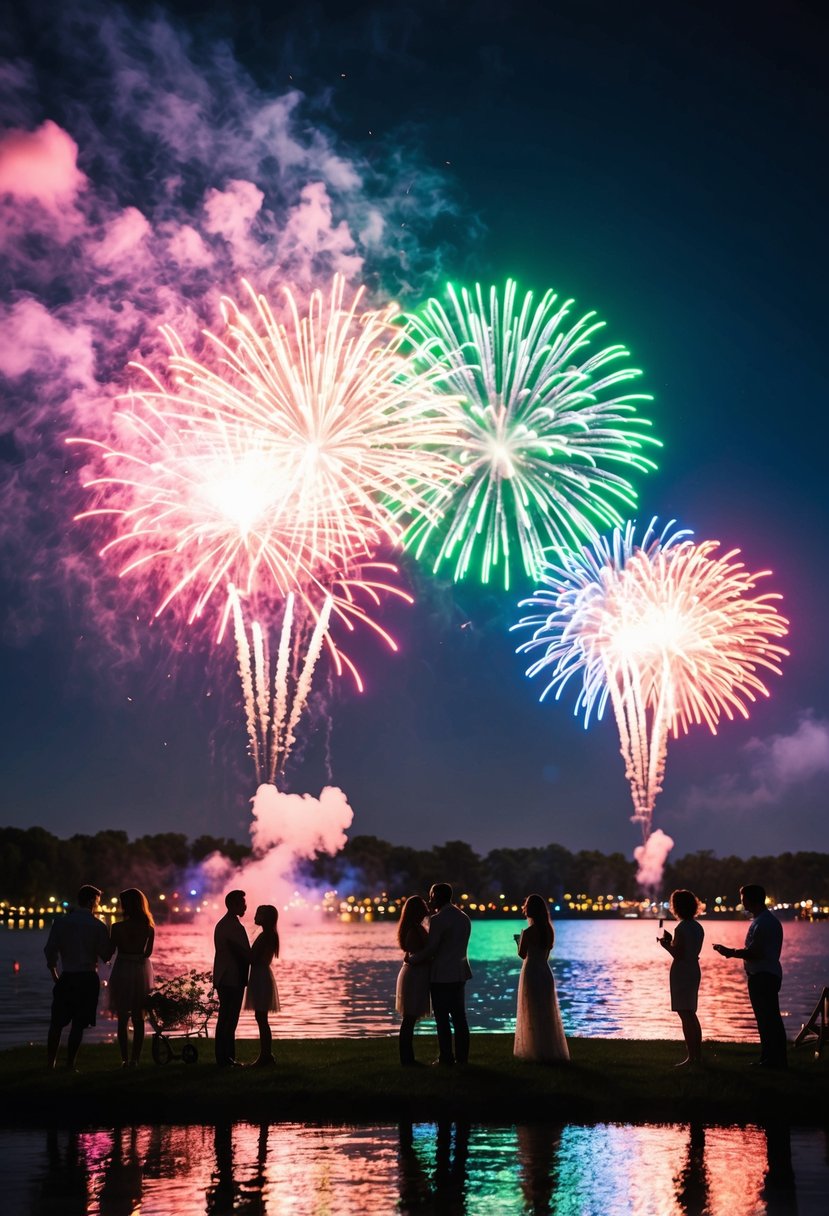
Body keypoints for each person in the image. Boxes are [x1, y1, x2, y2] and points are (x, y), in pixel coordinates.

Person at [713, 883, 787, 1069]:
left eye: (743, 899)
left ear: (751, 899)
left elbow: (755, 952)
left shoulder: (763, 923)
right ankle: (770, 1058)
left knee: (768, 1019)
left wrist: (730, 952)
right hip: (764, 974)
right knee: (767, 1019)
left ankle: (773, 1059)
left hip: (763, 975)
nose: (742, 903)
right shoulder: (764, 920)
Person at [44, 883, 113, 1070]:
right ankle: (70, 1065)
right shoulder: (98, 926)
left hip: (67, 976)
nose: (98, 906)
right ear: (92, 901)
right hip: (87, 978)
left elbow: (50, 950)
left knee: (56, 1023)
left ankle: (51, 1064)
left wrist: (54, 974)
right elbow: (106, 955)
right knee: (78, 1024)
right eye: (98, 902)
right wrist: (113, 941)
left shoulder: (60, 923)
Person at [407, 882, 472, 1066]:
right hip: (460, 973)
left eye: (432, 896)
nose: (429, 899)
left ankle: (446, 1057)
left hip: (442, 976)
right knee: (460, 1018)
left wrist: (412, 959)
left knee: (442, 1019)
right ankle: (462, 1058)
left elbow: (431, 949)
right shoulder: (464, 917)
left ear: (438, 896)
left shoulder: (438, 919)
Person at [513, 893, 569, 1064]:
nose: (524, 909)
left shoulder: (529, 932)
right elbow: (545, 955)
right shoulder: (548, 930)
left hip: (531, 971)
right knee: (546, 1012)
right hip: (544, 971)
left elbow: (522, 955)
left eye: (526, 906)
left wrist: (519, 940)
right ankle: (550, 1049)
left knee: (532, 1010)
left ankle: (535, 1050)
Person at [108, 887, 155, 1068]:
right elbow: (148, 953)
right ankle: (135, 1059)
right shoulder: (148, 928)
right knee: (139, 1016)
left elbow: (110, 951)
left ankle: (124, 1058)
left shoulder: (117, 927)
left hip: (122, 970)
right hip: (139, 971)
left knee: (122, 1017)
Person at [657, 888, 704, 1067]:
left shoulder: (682, 927)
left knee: (685, 1014)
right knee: (691, 1012)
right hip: (693, 968)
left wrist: (665, 944)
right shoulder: (697, 926)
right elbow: (689, 950)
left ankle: (692, 1057)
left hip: (682, 970)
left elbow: (678, 953)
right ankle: (696, 1055)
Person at [212, 890, 251, 1067]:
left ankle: (225, 1057)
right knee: (230, 1018)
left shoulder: (222, 924)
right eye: (242, 903)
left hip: (223, 976)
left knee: (225, 1017)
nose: (245, 906)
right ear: (233, 905)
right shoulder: (234, 927)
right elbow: (243, 954)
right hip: (231, 977)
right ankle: (226, 1058)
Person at [395, 895, 431, 1066]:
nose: (427, 906)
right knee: (409, 1018)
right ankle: (406, 1058)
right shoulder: (415, 930)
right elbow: (416, 955)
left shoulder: (413, 928)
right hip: (414, 975)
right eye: (423, 904)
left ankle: (407, 1057)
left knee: (410, 1018)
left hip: (415, 974)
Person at [244, 904, 280, 1067]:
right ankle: (266, 1055)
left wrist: (237, 948)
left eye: (258, 914)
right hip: (260, 975)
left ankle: (266, 1055)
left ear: (265, 918)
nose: (255, 916)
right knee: (261, 1018)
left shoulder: (266, 936)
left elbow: (252, 957)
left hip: (260, 976)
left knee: (261, 1018)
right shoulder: (268, 934)